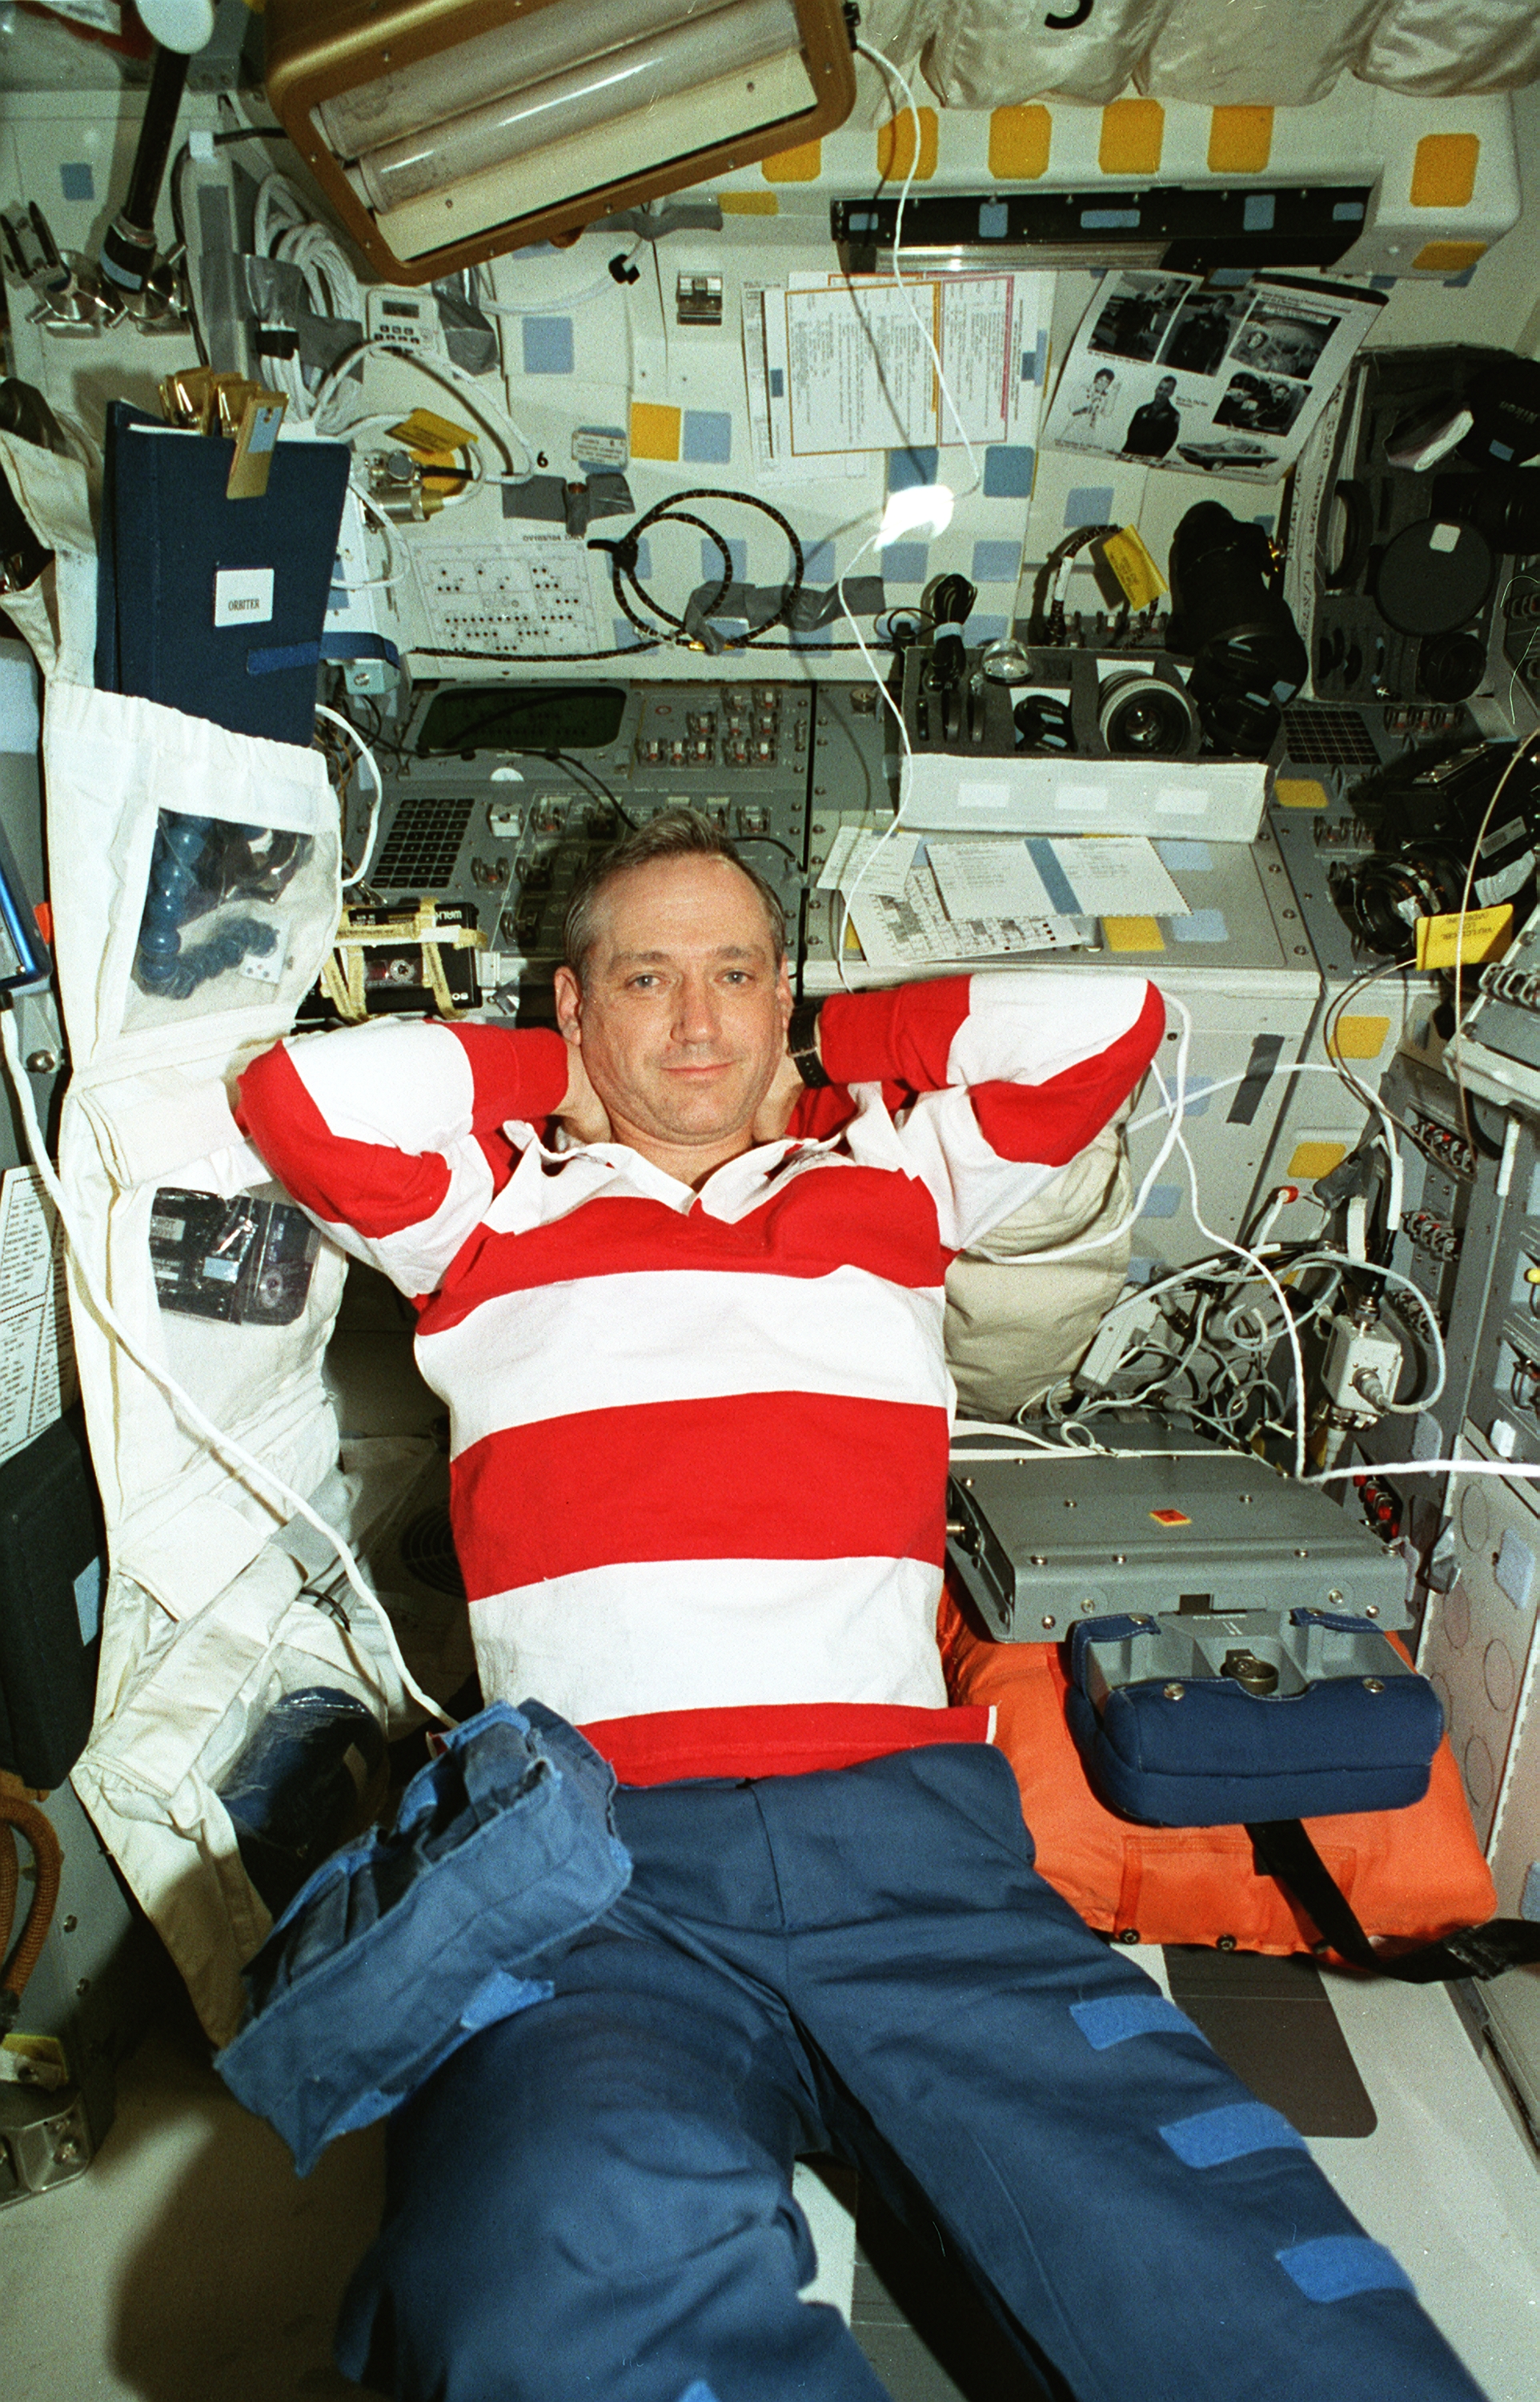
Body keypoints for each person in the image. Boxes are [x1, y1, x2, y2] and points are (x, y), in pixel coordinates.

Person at [237, 811, 1486, 2402]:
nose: (695, 1022)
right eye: (644, 978)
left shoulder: (888, 1170)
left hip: (914, 1849)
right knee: (537, 2284)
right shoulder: (479, 1214)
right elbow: (296, 1097)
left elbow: (1106, 1022)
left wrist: (825, 1046)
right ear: (572, 1006)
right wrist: (539, 1079)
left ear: (781, 996)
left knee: (1233, 2279)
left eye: (735, 976)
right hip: (595, 1874)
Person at [1122, 374, 1182, 460]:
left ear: (1171, 393)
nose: (1161, 393)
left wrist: (1153, 459)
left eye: (1166, 390)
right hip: (1129, 455)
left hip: (1149, 459)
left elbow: (1168, 442)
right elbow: (1131, 433)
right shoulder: (1142, 410)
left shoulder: (1173, 415)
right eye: (1160, 388)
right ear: (1156, 389)